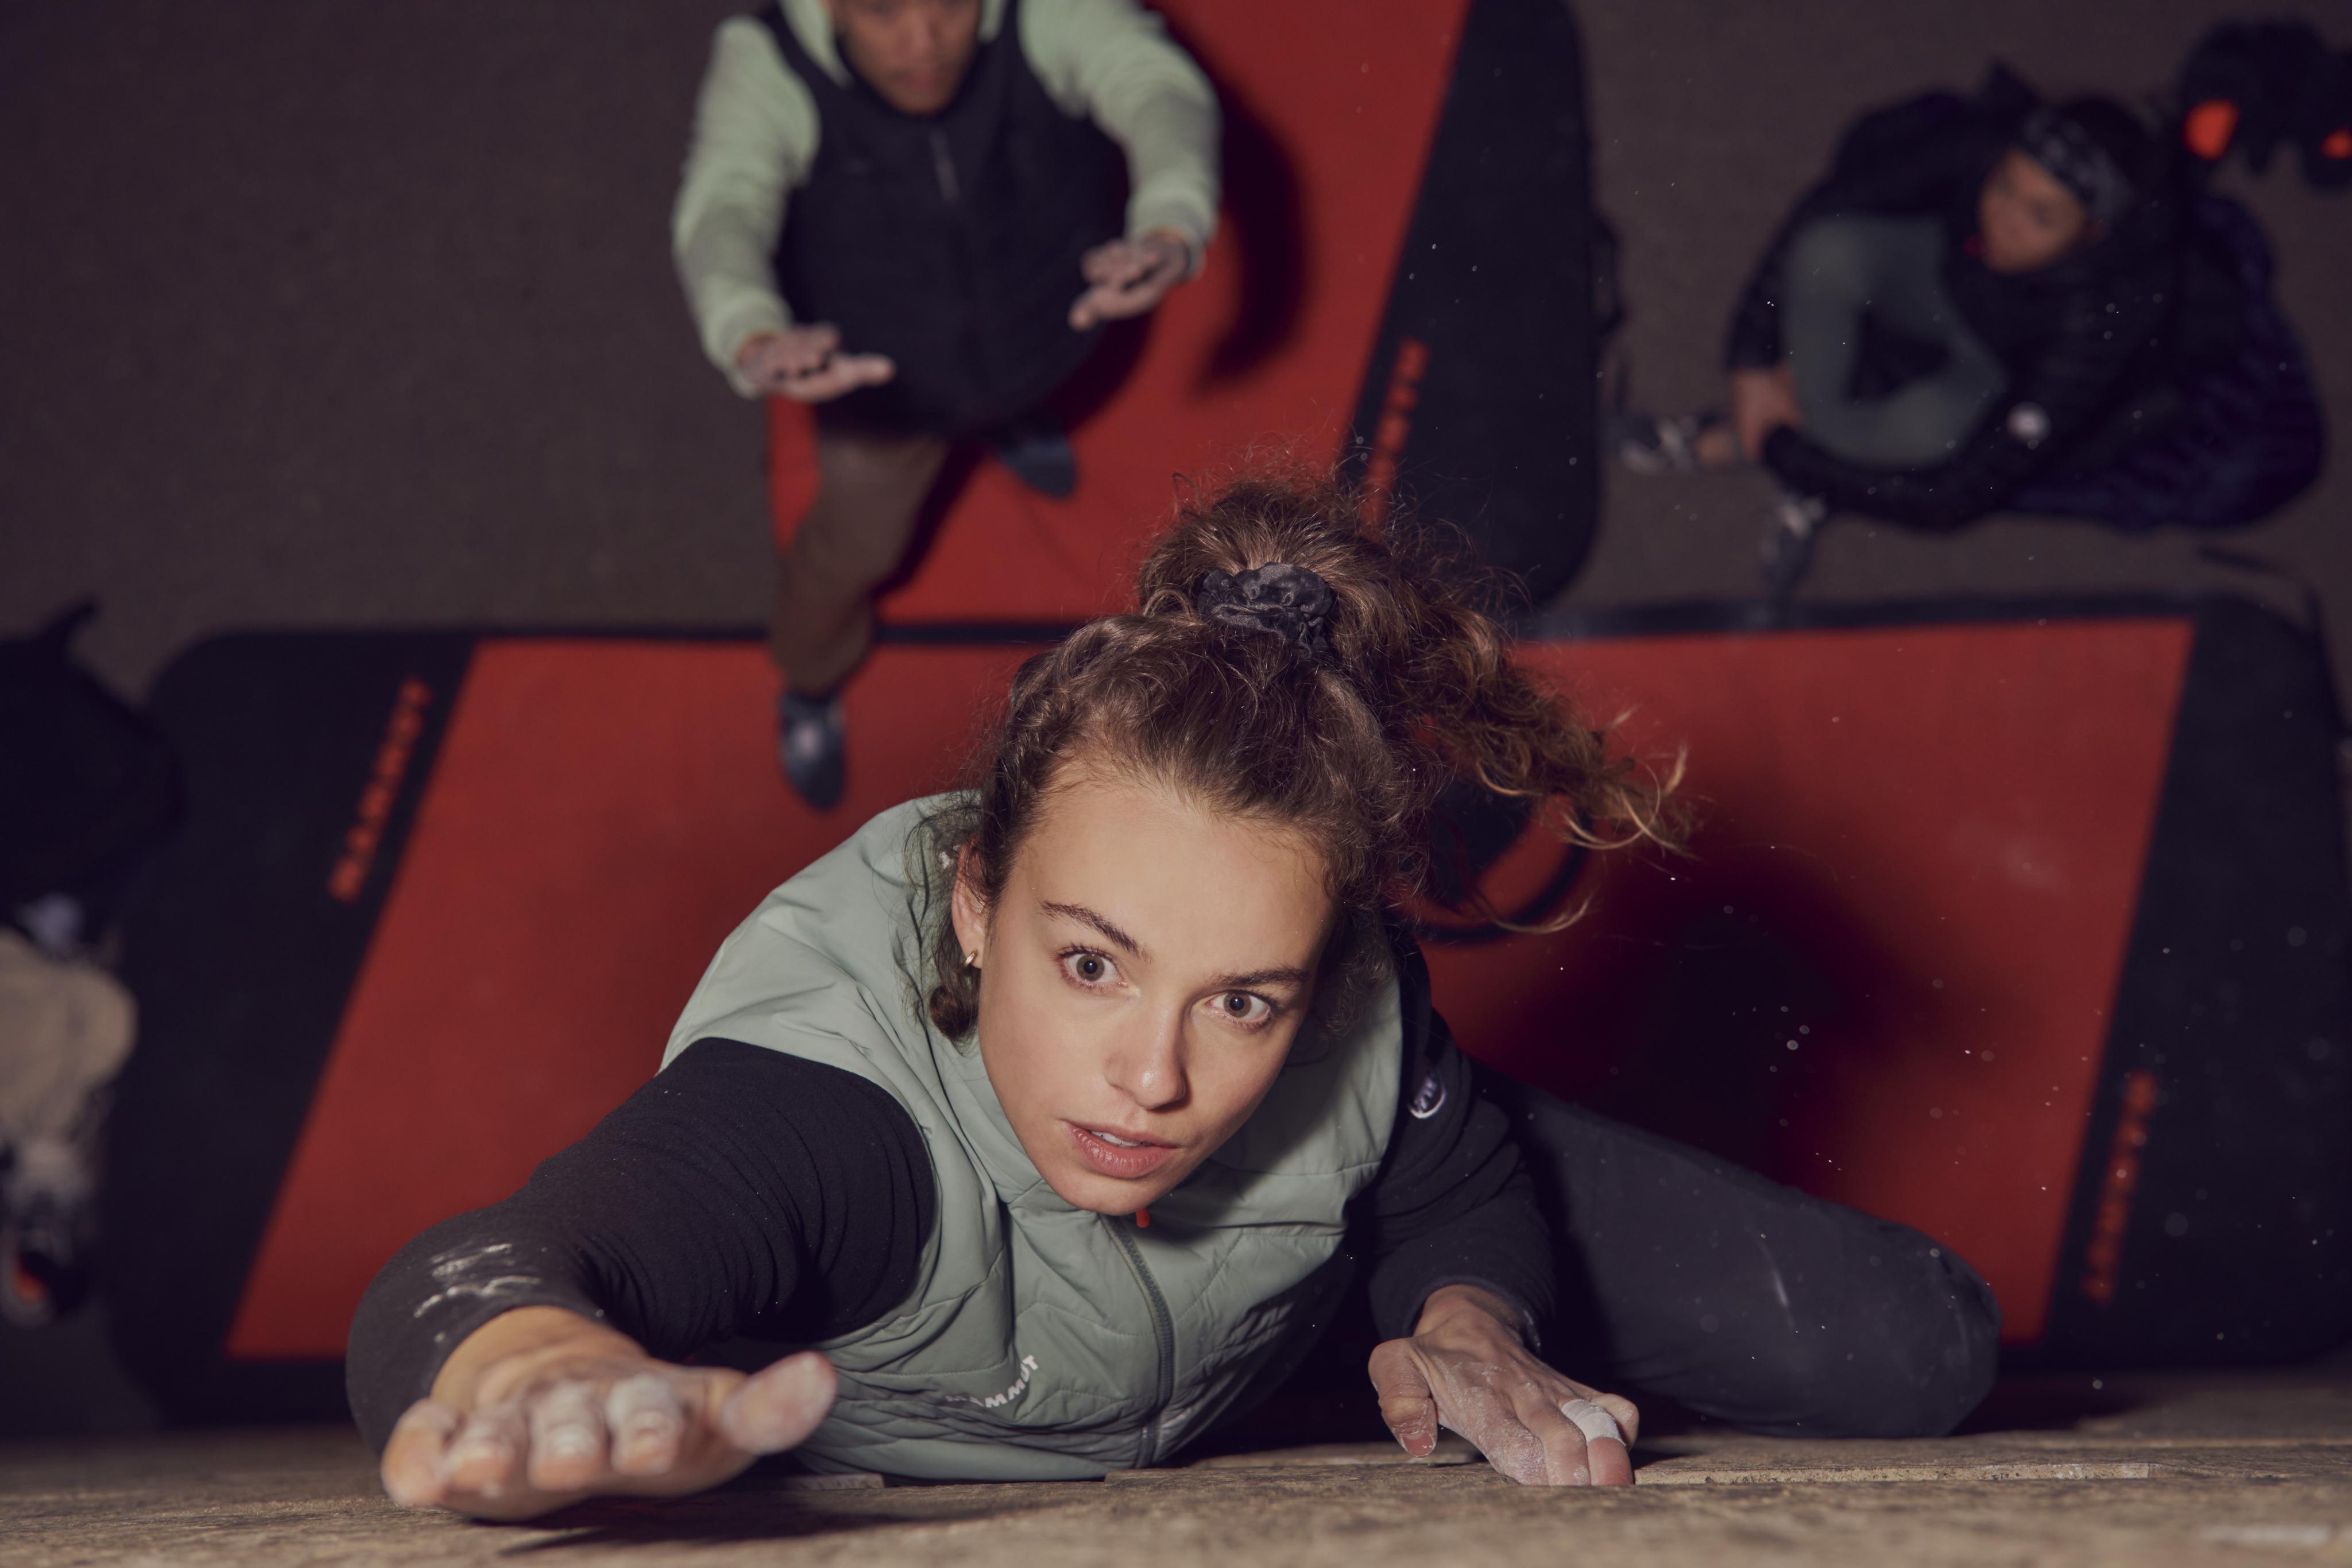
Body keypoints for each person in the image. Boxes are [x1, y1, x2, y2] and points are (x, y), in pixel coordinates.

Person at [349, 473, 1999, 1517]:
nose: (1150, 1077)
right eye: (1091, 964)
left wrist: (1462, 1319)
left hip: (1251, 1308)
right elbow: (492, 1264)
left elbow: (1451, 1169)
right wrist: (530, 1368)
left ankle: (1304, 1333)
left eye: (1243, 1003)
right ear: (979, 903)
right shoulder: (840, 1120)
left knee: (1915, 1347)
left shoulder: (1342, 978)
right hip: (1072, 1358)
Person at [672, 0, 1221, 808]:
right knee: (848, 554)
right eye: (884, 11)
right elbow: (725, 203)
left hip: (1042, 329)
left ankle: (1010, 425)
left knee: (1027, 394)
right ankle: (811, 677)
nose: (921, 44)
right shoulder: (767, 59)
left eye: (950, 6)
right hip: (879, 385)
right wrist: (749, 328)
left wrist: (1171, 219)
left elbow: (1153, 83)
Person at [1615, 68, 2323, 595]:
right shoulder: (1982, 149)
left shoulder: (2101, 319)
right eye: (2005, 189)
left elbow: (1956, 498)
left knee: (1926, 436)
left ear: (2091, 234)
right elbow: (1829, 210)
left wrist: (1781, 450)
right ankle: (1785, 413)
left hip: (1997, 358)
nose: (2005, 217)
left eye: (2039, 216)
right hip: (1937, 270)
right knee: (1833, 251)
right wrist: (1748, 362)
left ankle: (1765, 450)